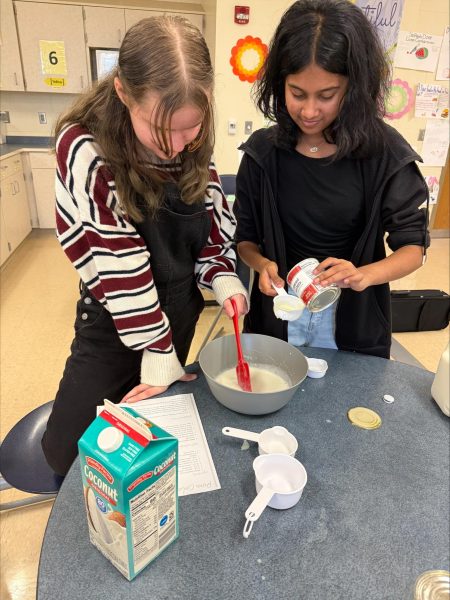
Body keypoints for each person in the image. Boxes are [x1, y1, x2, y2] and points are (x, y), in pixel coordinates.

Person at [42, 16, 248, 476]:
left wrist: (224, 277)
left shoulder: (190, 140)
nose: (177, 147)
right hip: (115, 315)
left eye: (190, 128)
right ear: (123, 93)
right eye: (160, 130)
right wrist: (157, 353)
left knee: (152, 440)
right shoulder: (83, 147)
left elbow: (210, 227)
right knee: (67, 452)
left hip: (177, 309)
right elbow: (120, 265)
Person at [234, 0, 429, 360]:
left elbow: (413, 250)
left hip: (351, 322)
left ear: (354, 87)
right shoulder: (263, 154)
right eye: (297, 93)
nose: (309, 111)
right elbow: (245, 239)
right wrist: (262, 265)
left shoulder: (384, 153)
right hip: (279, 317)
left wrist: (365, 274)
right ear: (280, 84)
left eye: (327, 96)